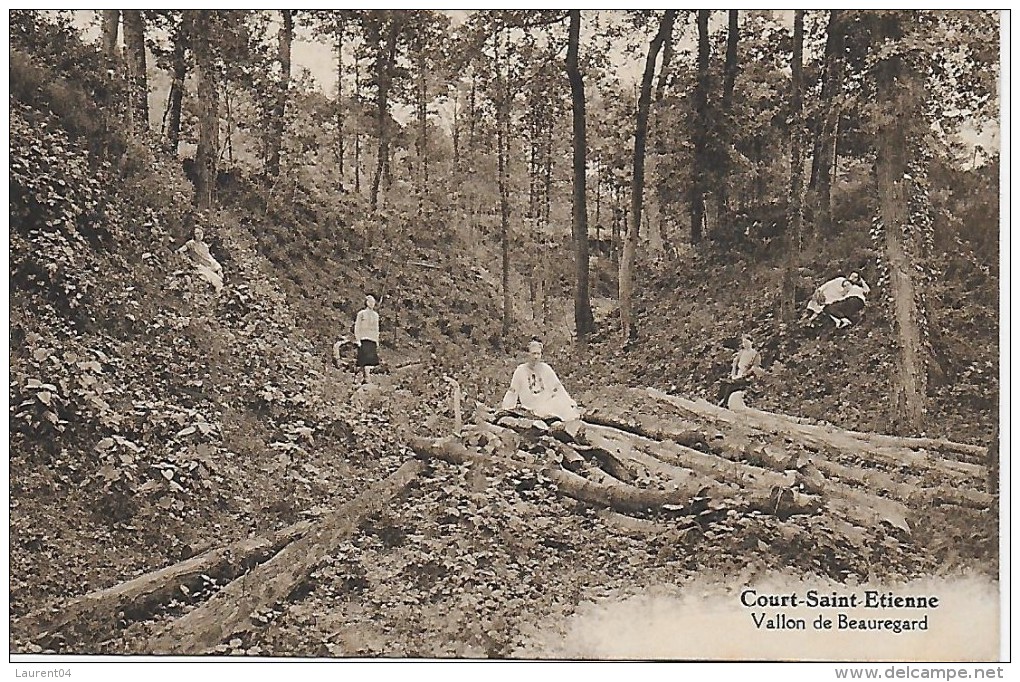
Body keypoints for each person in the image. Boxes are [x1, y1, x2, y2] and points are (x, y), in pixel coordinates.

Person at [501, 340, 581, 421]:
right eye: (533, 354)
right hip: (531, 408)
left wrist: (568, 401)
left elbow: (558, 388)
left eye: (538, 354)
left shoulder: (546, 368)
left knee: (562, 405)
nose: (536, 357)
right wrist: (507, 407)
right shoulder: (520, 371)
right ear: (528, 354)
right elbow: (513, 391)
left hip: (548, 403)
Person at [717, 334, 763, 408]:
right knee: (724, 382)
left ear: (751, 342)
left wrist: (744, 375)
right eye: (744, 342)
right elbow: (735, 363)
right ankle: (721, 401)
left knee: (731, 384)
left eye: (747, 342)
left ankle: (724, 403)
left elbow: (754, 368)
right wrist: (733, 374)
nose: (745, 344)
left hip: (747, 377)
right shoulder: (741, 352)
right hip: (738, 375)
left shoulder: (755, 354)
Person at [176, 226, 224, 292]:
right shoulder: (191, 244)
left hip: (207, 266)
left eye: (201, 233)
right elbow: (180, 251)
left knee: (220, 280)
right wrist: (186, 260)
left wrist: (219, 269)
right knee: (217, 282)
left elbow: (210, 258)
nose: (199, 235)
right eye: (197, 233)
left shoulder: (204, 246)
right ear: (194, 235)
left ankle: (217, 297)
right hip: (198, 266)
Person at [354, 295, 380, 381]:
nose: (372, 304)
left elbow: (377, 328)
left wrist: (377, 340)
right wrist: (357, 339)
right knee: (363, 360)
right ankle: (361, 377)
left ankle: (368, 378)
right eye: (370, 302)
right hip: (363, 339)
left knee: (371, 361)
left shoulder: (376, 315)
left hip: (372, 339)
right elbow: (357, 326)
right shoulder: (361, 314)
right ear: (366, 303)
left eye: (373, 302)